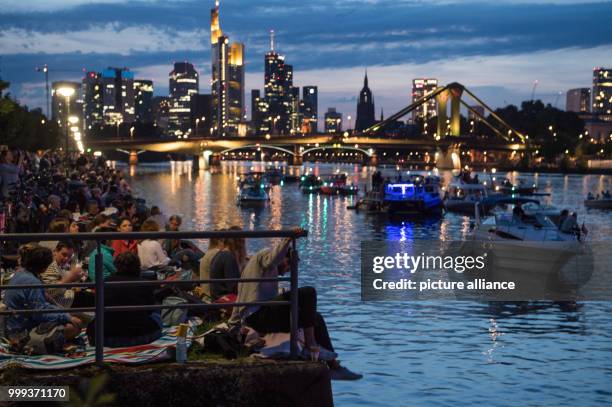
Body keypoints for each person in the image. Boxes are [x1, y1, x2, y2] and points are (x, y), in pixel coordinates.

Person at [229, 228, 362, 381]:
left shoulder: (262, 271)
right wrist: (289, 238)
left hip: (260, 315)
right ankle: (310, 345)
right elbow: (272, 258)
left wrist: (233, 322)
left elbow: (240, 297)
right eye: (288, 266)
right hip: (257, 316)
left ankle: (333, 365)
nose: (286, 272)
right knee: (308, 292)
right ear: (284, 258)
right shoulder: (264, 256)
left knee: (314, 317)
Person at [4, 246, 82, 354]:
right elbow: (40, 313)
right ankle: (36, 345)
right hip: (21, 333)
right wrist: (66, 316)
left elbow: (42, 303)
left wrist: (63, 313)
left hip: (13, 327)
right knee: (72, 327)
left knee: (69, 321)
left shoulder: (21, 273)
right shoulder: (32, 281)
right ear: (45, 267)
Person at [86, 252, 162, 347]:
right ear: (137, 266)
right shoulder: (144, 283)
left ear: (116, 265)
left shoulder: (104, 283)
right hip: (140, 336)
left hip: (105, 338)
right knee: (156, 314)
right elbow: (150, 310)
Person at [40, 241, 86, 308]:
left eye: (70, 256)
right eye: (64, 255)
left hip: (66, 297)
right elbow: (50, 293)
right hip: (62, 302)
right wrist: (69, 278)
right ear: (55, 251)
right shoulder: (50, 266)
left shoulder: (58, 265)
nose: (66, 258)